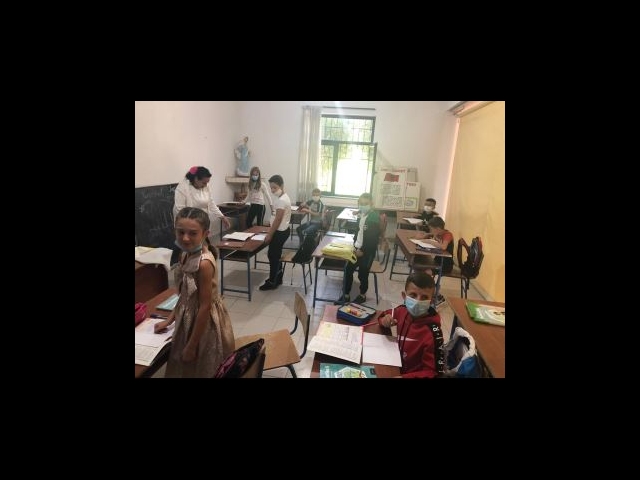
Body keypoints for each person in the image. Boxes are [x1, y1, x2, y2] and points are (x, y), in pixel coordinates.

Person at [154, 207, 235, 377]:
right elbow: (184, 296)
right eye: (180, 232)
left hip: (203, 322)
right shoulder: (185, 254)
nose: (185, 238)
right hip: (188, 316)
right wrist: (168, 321)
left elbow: (205, 306)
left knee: (200, 364)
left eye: (192, 233)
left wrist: (191, 346)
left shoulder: (204, 264)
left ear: (206, 234)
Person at [378, 272, 443, 378]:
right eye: (413, 295)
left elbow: (433, 373)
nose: (417, 301)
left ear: (431, 301)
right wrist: (384, 321)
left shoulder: (433, 333)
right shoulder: (401, 311)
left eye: (424, 297)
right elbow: (382, 316)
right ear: (404, 296)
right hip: (395, 364)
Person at [335, 192, 381, 305]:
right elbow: (359, 232)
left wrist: (363, 251)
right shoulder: (362, 214)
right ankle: (346, 295)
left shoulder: (374, 218)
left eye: (366, 204)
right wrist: (355, 245)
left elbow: (373, 239)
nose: (363, 206)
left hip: (367, 252)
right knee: (348, 269)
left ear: (371, 204)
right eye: (361, 203)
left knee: (363, 273)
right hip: (357, 248)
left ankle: (362, 295)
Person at [173, 166, 231, 242]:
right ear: (196, 179)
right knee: (190, 244)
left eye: (207, 183)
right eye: (204, 182)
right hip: (188, 225)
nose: (206, 185)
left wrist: (222, 217)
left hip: (202, 223)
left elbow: (211, 203)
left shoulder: (205, 186)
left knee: (203, 244)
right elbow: (180, 209)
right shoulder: (183, 187)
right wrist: (191, 224)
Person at [259, 174, 291, 291]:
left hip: (280, 232)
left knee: (272, 255)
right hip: (283, 230)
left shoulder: (282, 200)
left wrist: (269, 234)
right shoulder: (284, 197)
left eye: (275, 187)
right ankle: (278, 278)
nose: (272, 190)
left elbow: (278, 220)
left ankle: (272, 282)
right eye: (271, 187)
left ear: (281, 186)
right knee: (276, 255)